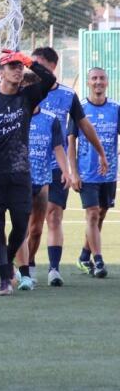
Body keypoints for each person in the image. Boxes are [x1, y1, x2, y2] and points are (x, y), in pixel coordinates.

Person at [0, 50, 55, 296]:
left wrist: (30, 61)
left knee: (21, 225)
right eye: (12, 67)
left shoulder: (28, 97)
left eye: (20, 67)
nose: (18, 71)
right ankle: (5, 280)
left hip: (19, 173)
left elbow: (49, 80)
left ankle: (6, 265)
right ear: (1, 72)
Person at [29, 47, 106, 285]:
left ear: (52, 67)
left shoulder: (67, 95)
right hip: (29, 166)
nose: (33, 69)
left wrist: (101, 152)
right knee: (33, 225)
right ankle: (27, 264)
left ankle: (53, 269)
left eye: (38, 65)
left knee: (54, 217)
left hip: (55, 166)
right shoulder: (26, 93)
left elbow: (84, 125)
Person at [16, 73, 72, 290]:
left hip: (42, 180)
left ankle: (29, 264)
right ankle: (19, 270)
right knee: (20, 228)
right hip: (18, 181)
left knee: (37, 229)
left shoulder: (50, 119)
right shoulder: (15, 117)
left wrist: (65, 170)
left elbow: (58, 147)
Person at [69, 67, 119, 277]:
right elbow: (71, 141)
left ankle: (84, 256)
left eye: (101, 78)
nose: (98, 82)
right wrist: (74, 173)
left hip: (109, 174)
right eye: (94, 78)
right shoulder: (79, 109)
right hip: (87, 173)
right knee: (92, 214)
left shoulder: (116, 108)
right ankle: (98, 261)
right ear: (88, 83)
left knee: (101, 216)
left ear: (107, 82)